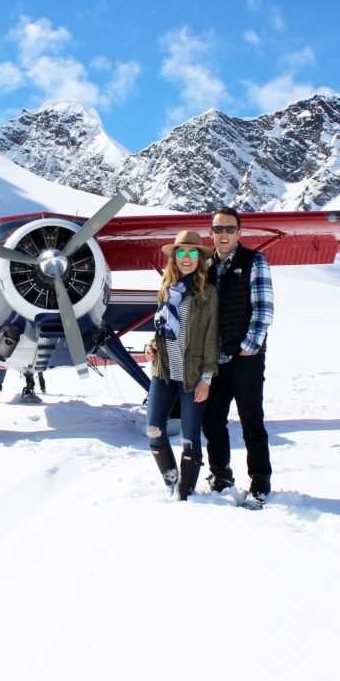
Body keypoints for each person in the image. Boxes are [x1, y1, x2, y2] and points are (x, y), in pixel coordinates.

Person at [202, 205, 275, 506]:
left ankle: (260, 481)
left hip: (245, 357)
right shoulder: (205, 266)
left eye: (229, 229)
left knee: (251, 421)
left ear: (239, 232)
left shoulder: (255, 261)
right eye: (218, 229)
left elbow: (264, 308)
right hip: (214, 359)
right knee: (212, 421)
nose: (223, 234)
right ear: (211, 233)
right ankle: (221, 474)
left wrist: (251, 344)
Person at [144, 230, 218, 500]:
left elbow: (211, 340)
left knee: (190, 437)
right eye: (181, 252)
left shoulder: (207, 294)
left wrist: (206, 378)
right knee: (153, 429)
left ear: (200, 258)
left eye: (193, 252)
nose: (187, 257)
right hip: (162, 373)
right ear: (174, 257)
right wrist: (150, 346)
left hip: (192, 376)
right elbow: (161, 330)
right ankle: (171, 480)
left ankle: (184, 493)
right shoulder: (166, 291)